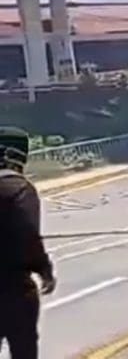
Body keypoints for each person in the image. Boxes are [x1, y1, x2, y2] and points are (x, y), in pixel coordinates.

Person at [0, 128, 55, 359]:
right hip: (12, 288)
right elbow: (28, 235)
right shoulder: (19, 188)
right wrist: (44, 269)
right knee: (23, 348)